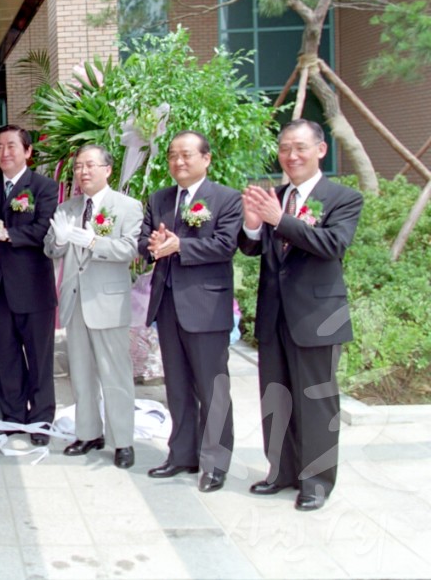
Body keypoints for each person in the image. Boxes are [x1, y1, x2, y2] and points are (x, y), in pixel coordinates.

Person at [239, 119, 363, 511]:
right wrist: (253, 225)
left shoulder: (342, 197)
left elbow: (333, 244)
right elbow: (250, 247)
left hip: (318, 317)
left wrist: (279, 221)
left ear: (320, 150)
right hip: (275, 316)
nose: (291, 156)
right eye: (285, 149)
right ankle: (281, 471)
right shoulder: (274, 196)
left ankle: (317, 482)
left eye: (300, 148)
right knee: (276, 398)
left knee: (316, 402)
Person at [138, 130, 241, 493]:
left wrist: (181, 246)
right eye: (172, 156)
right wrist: (152, 245)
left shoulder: (226, 199)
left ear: (206, 159)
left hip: (206, 306)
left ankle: (215, 463)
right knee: (178, 387)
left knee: (212, 388)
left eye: (186, 155)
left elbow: (226, 245)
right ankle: (181, 454)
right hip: (167, 305)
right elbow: (144, 241)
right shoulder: (159, 198)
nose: (178, 162)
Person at [44, 145, 142, 468]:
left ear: (107, 170)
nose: (83, 172)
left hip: (108, 302)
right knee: (81, 374)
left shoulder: (127, 207)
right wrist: (59, 240)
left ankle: (122, 440)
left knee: (115, 374)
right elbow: (50, 248)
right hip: (75, 301)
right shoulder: (68, 208)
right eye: (79, 167)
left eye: (90, 166)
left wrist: (93, 242)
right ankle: (88, 433)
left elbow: (129, 249)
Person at [0, 125, 59, 444]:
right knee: (5, 357)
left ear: (28, 151)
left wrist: (5, 232)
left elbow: (44, 229)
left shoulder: (44, 186)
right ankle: (13, 416)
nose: (5, 152)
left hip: (33, 288)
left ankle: (42, 418)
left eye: (11, 146)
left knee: (39, 357)